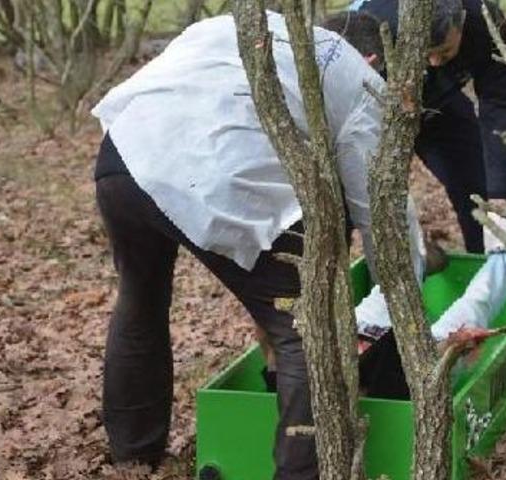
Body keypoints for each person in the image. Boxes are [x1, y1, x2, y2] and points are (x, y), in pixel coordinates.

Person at [91, 11, 422, 479]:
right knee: (307, 329)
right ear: (372, 57)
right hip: (220, 171)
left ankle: (134, 455)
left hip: (125, 156)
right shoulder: (358, 73)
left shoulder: (231, 24)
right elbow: (380, 203)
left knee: (141, 298)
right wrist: (405, 278)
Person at [354, 0, 506, 253]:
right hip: (376, 107)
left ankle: (491, 264)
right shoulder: (377, 20)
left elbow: (497, 103)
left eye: (444, 51)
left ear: (461, 21)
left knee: (480, 186)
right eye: (427, 53)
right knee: (365, 199)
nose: (434, 61)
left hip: (441, 102)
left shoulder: (485, 20)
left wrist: (499, 195)